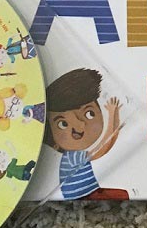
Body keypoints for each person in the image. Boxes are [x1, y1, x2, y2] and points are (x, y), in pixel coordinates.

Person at [44, 68, 126, 200]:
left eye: (89, 113)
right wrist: (112, 116)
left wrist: (115, 117)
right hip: (82, 196)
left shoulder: (74, 154)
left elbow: (109, 143)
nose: (80, 125)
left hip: (89, 191)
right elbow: (103, 149)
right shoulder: (72, 156)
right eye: (63, 124)